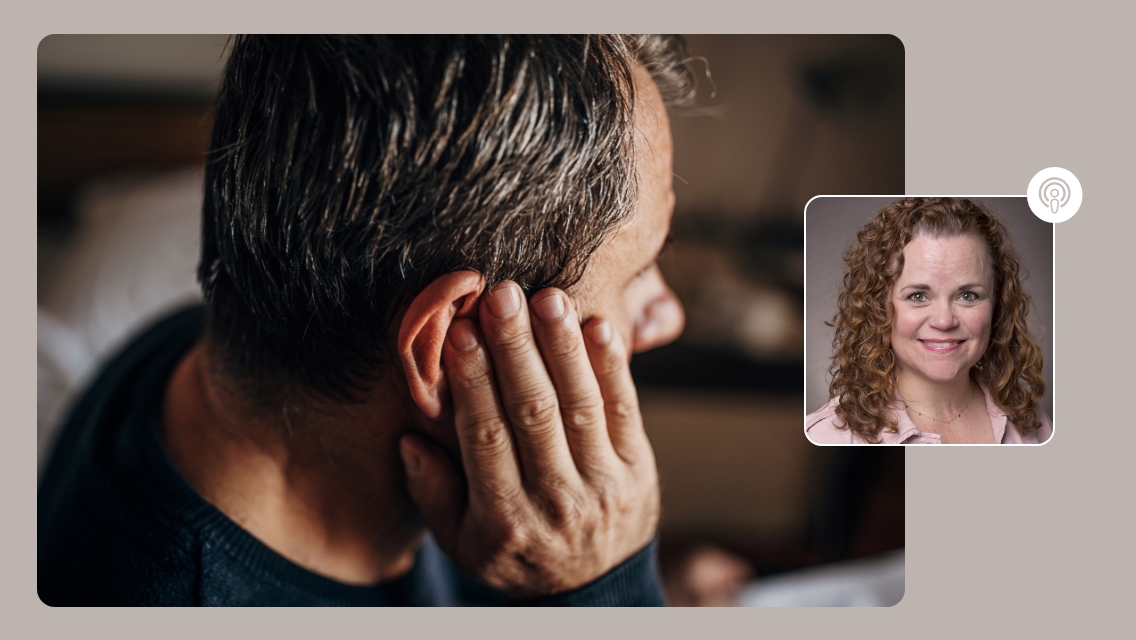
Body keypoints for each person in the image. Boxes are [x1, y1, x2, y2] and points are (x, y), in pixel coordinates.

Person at [38, 35, 696, 605]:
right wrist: (607, 589)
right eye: (638, 273)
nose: (667, 316)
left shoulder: (202, 344)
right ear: (451, 346)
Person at [806, 198, 1051, 445]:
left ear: (997, 304)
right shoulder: (829, 437)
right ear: (878, 306)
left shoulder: (1031, 424)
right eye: (918, 296)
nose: (944, 321)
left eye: (968, 296)